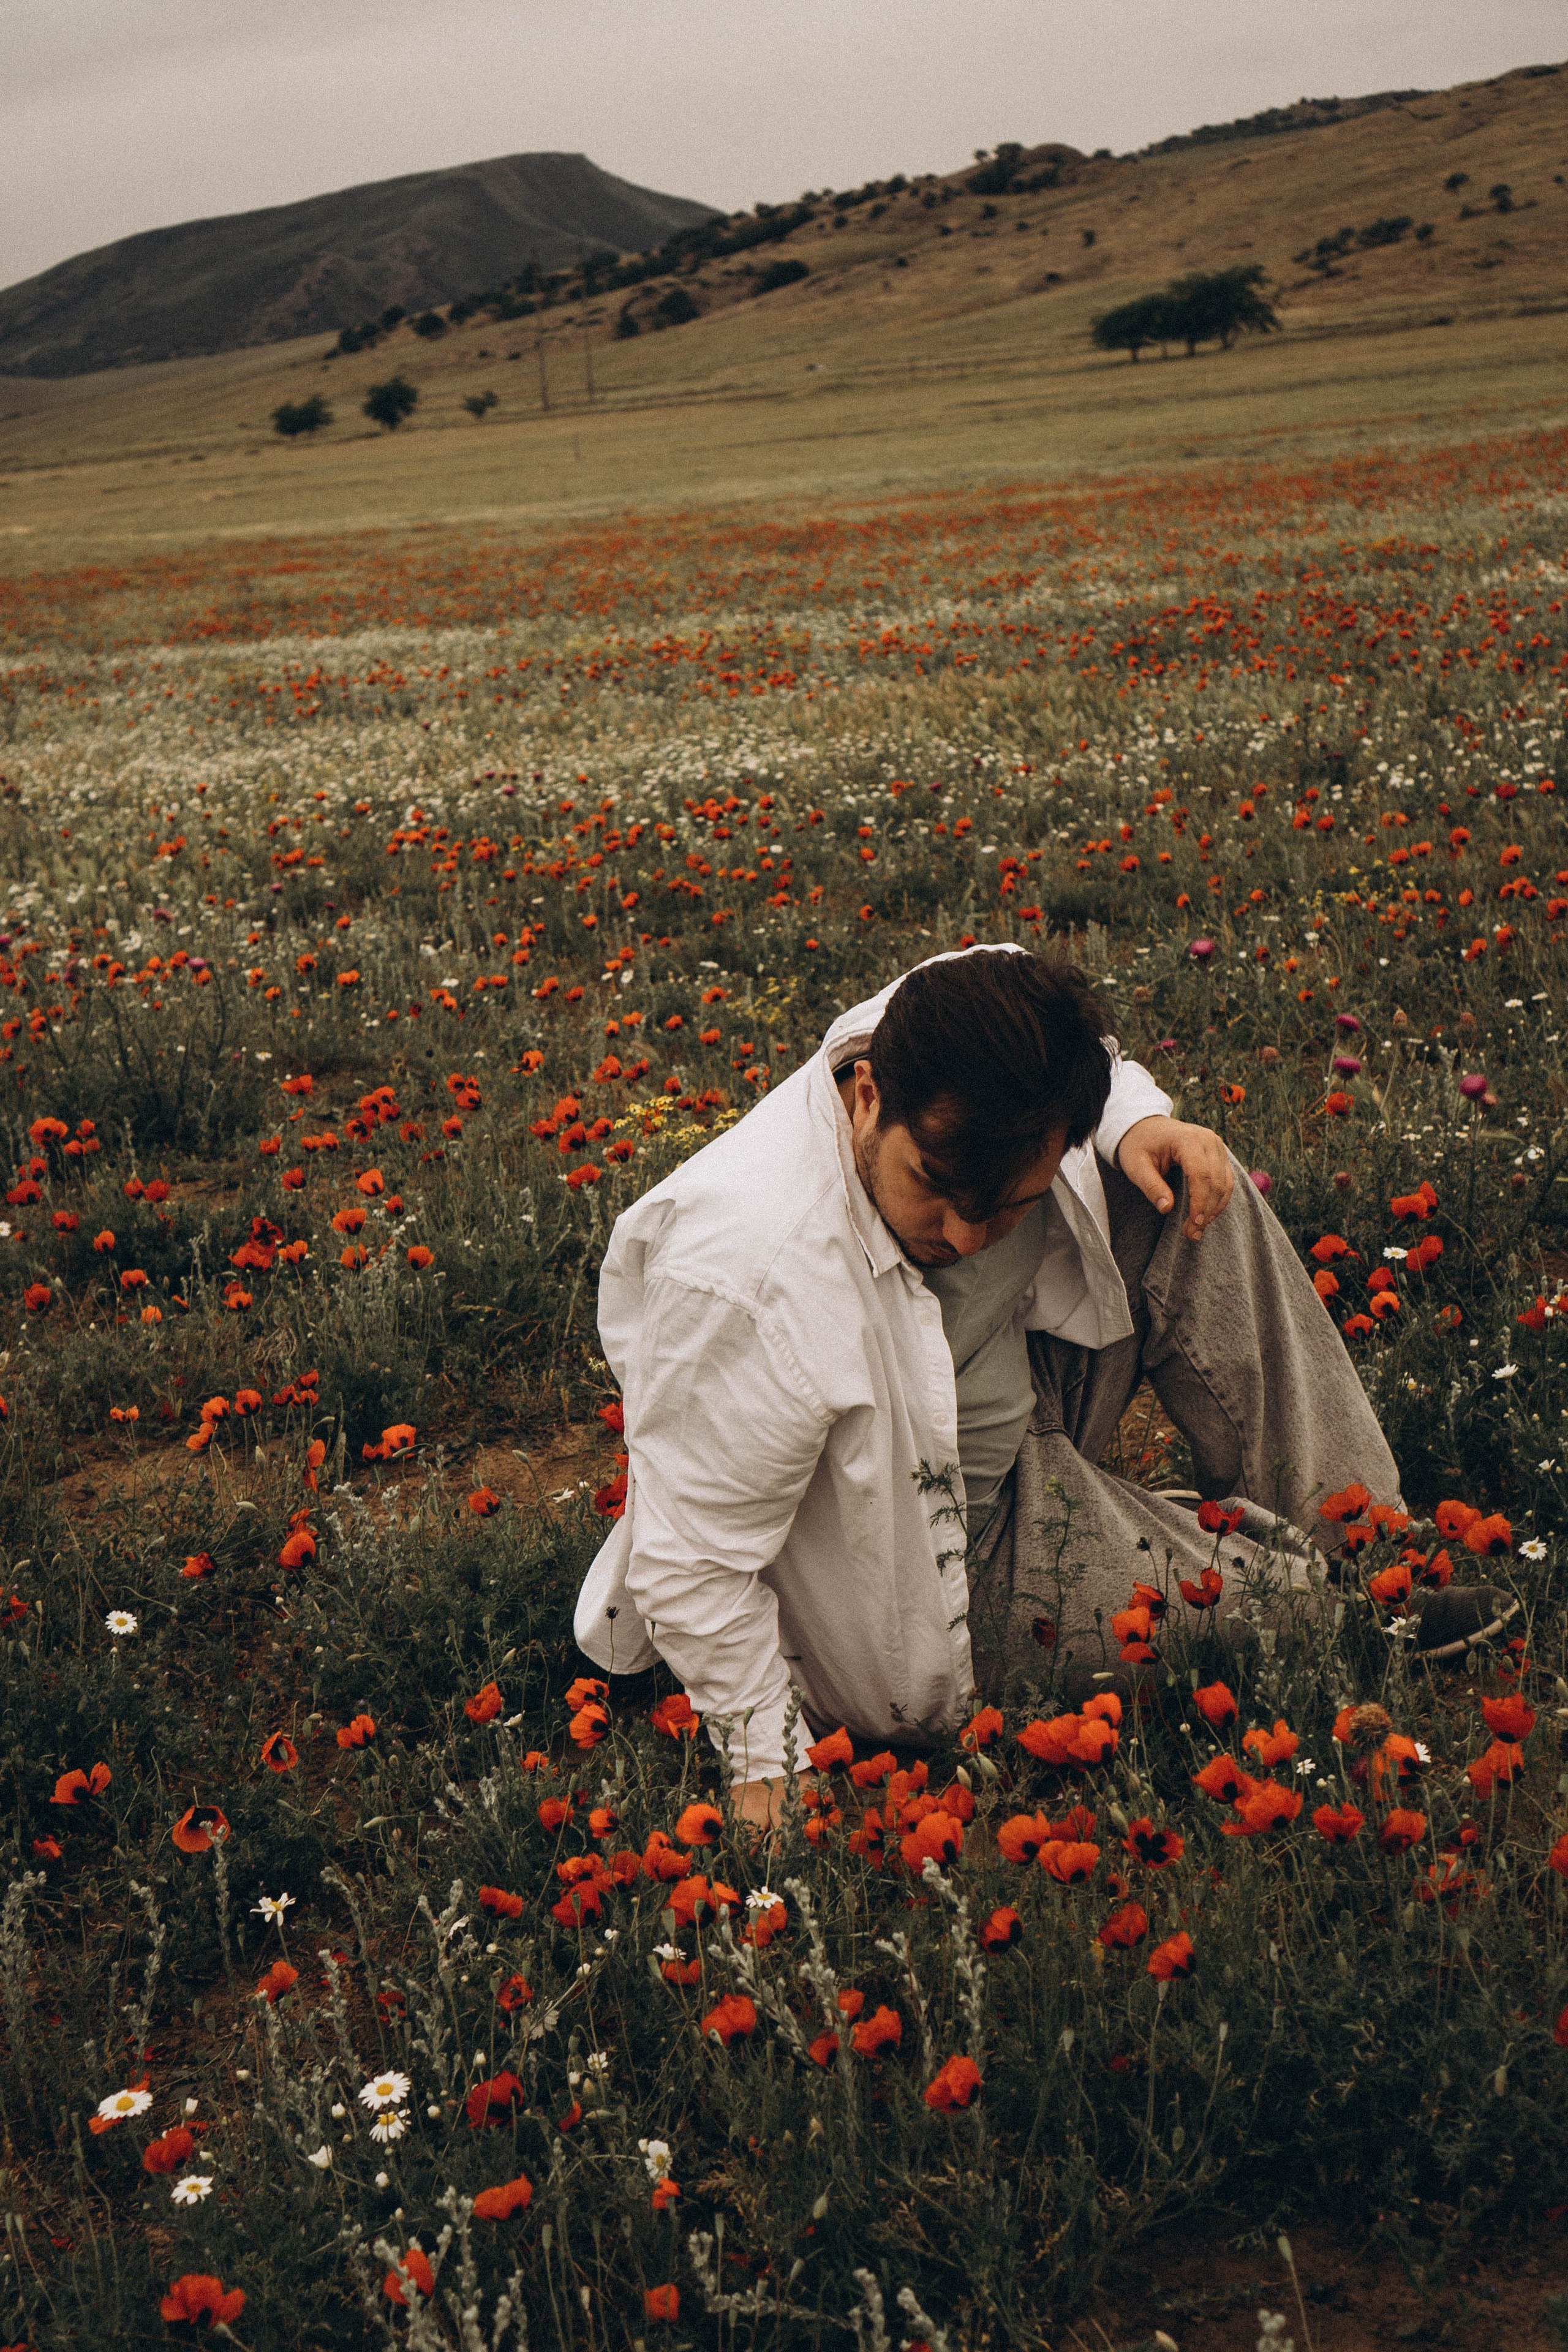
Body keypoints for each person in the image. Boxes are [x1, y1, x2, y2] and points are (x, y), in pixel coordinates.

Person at [575, 943, 1512, 1830]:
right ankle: (1336, 1608)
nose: (966, 1233)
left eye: (1008, 1204)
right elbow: (690, 1558)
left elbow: (1087, 1055)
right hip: (925, 1562)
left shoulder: (969, 1019)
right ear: (869, 1097)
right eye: (935, 1188)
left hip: (1027, 1385)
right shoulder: (745, 1275)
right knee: (1231, 1623)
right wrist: (763, 1760)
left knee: (1188, 1184)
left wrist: (1140, 1123)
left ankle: (1374, 1541)